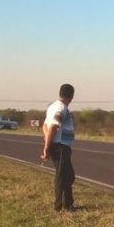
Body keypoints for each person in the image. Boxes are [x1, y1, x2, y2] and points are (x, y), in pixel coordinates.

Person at [41, 84, 77, 212]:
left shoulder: (52, 106)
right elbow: (53, 127)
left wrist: (47, 141)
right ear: (71, 96)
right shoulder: (62, 109)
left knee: (68, 176)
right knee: (62, 176)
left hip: (59, 145)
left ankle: (68, 204)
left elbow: (45, 126)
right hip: (60, 146)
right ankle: (59, 206)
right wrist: (47, 146)